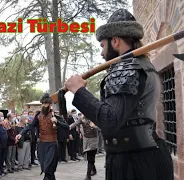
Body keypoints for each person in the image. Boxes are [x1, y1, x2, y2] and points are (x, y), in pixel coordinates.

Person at [64, 9, 174, 180]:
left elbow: (110, 119)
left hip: (135, 165)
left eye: (102, 46)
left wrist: (79, 91)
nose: (101, 53)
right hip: (144, 158)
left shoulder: (127, 68)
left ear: (115, 41)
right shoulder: (143, 65)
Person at [15, 93, 69, 180]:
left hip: (52, 144)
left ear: (50, 104)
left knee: (48, 167)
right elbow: (30, 126)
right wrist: (20, 134)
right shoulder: (38, 116)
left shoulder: (55, 115)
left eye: (46, 103)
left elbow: (67, 127)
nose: (44, 105)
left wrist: (57, 122)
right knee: (45, 167)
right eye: (43, 103)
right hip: (42, 144)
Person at [70, 114, 99, 180]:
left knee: (90, 156)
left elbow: (101, 128)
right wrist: (69, 127)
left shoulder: (94, 117)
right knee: (89, 156)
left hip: (94, 139)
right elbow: (75, 123)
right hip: (86, 139)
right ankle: (94, 170)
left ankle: (88, 175)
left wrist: (94, 126)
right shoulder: (82, 119)